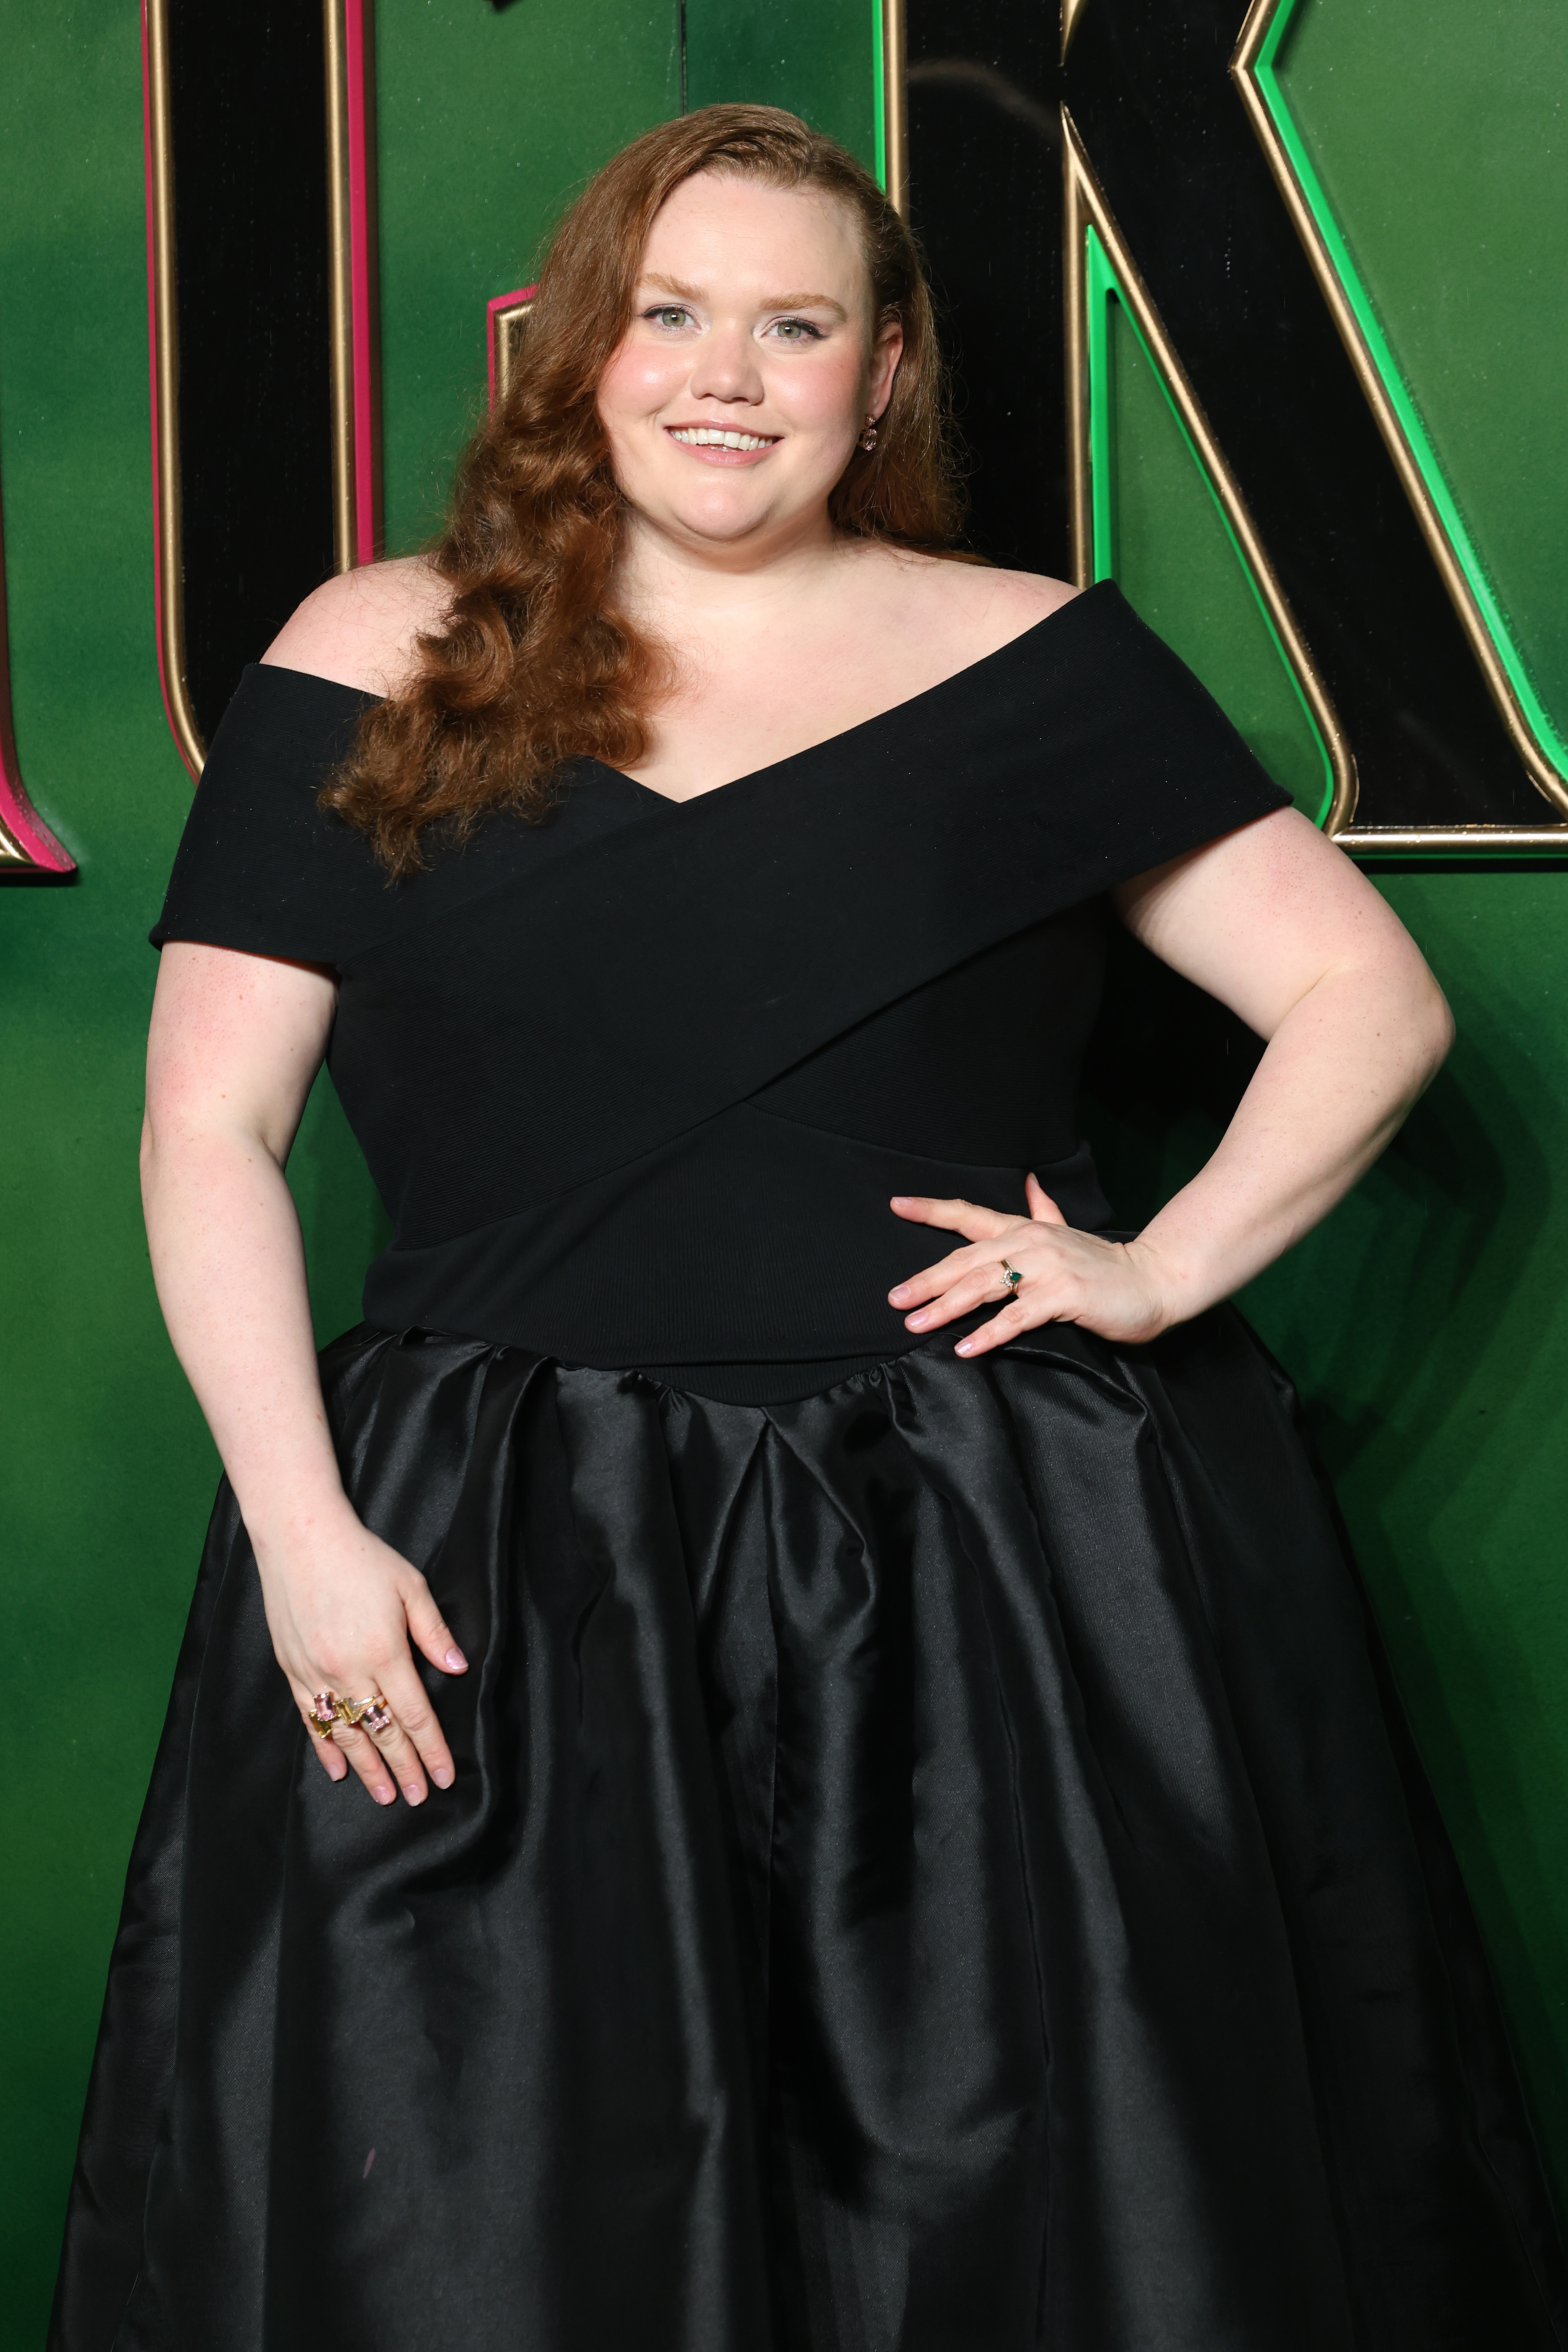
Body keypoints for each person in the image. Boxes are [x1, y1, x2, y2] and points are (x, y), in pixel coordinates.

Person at [52, 103, 1565, 2352]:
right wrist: (300, 1526)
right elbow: (208, 1125)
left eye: (794, 326)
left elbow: (1368, 998)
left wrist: (1153, 1268)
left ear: (885, 370)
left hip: (978, 1547)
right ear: (582, 350)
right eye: (672, 316)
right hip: (493, 1556)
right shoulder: (380, 646)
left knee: (1034, 2224)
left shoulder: (1032, 657)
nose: (726, 377)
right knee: (488, 2217)